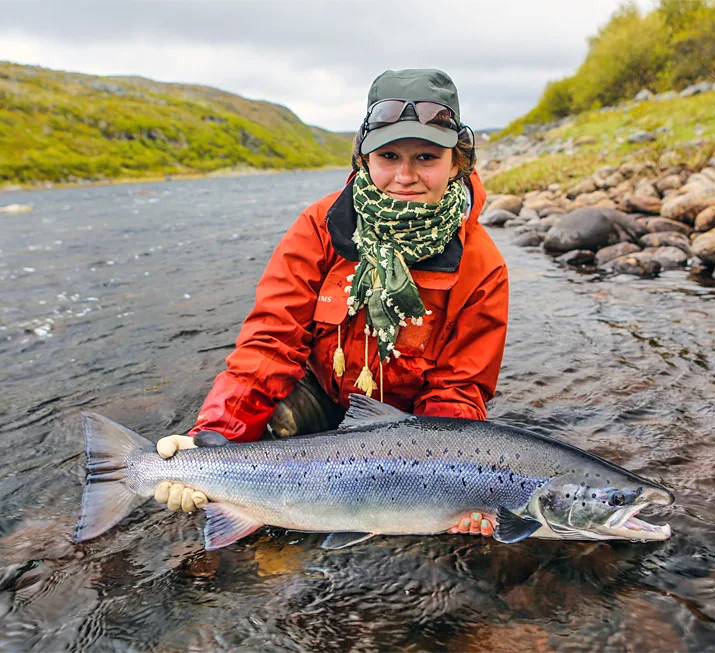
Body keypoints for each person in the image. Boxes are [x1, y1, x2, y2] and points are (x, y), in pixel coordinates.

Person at [154, 69, 509, 538]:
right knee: (251, 442)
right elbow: (270, 345)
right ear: (364, 158)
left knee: (449, 513)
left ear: (457, 161)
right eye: (388, 156)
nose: (405, 176)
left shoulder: (483, 264)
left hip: (416, 426)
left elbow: (459, 389)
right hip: (325, 396)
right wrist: (210, 437)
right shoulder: (320, 226)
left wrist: (448, 489)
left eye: (426, 156)